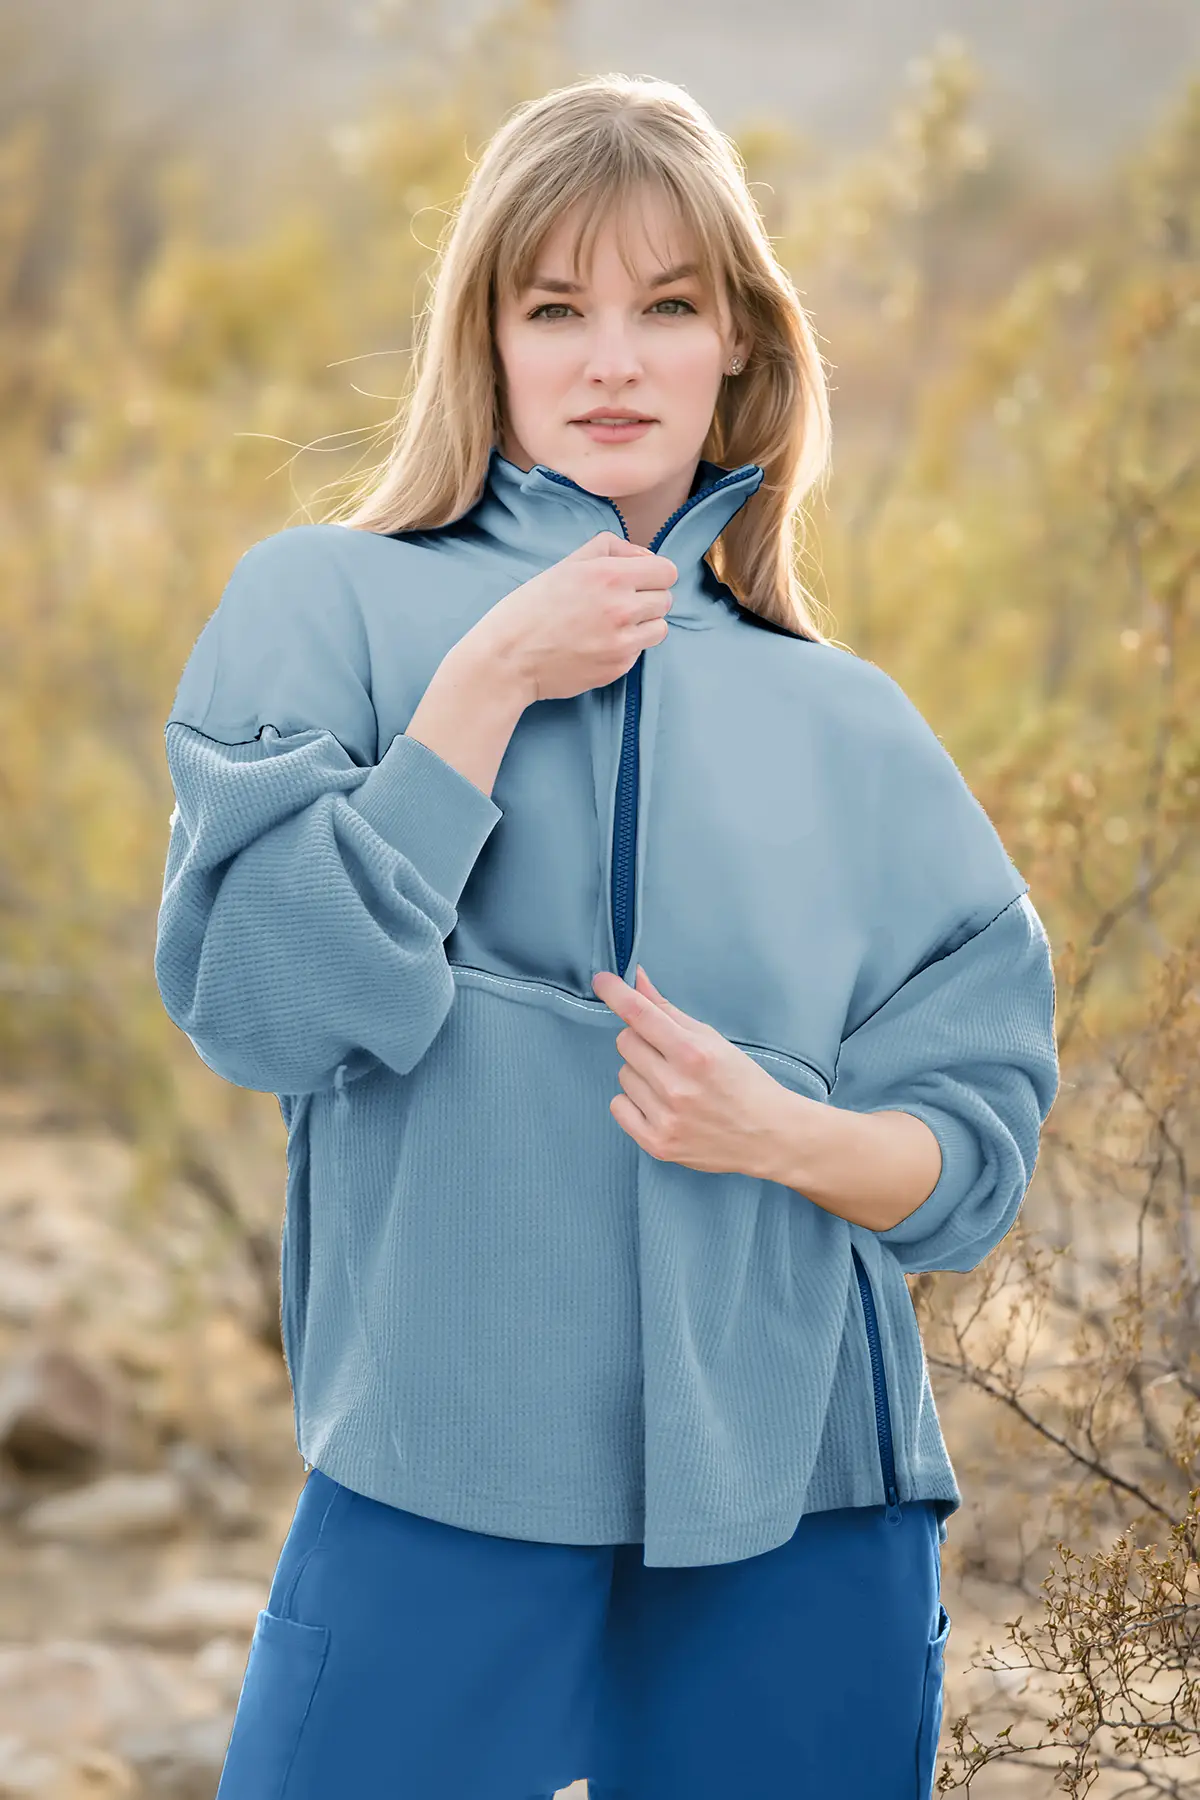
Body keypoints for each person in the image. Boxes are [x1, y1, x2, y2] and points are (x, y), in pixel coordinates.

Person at [155, 71, 1060, 1800]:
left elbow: (974, 1158)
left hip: (805, 1506)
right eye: (556, 308)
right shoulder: (323, 604)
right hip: (439, 1475)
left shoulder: (853, 724)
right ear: (485, 339)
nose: (613, 362)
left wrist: (778, 1131)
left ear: (742, 344)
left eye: (669, 307)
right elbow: (259, 1006)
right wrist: (487, 685)